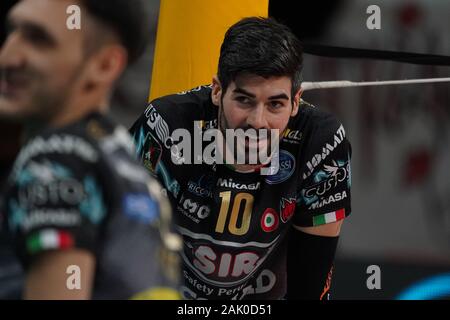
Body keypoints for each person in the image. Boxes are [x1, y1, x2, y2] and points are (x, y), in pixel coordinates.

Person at [130, 17, 352, 300]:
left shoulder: (320, 141)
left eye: (275, 104)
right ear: (217, 90)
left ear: (296, 102)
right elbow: (123, 252)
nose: (257, 122)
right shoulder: (166, 125)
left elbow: (309, 287)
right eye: (244, 100)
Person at [0, 0, 181, 299]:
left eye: (38, 40)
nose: (8, 57)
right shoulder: (119, 153)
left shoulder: (55, 160)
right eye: (12, 32)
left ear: (105, 65)